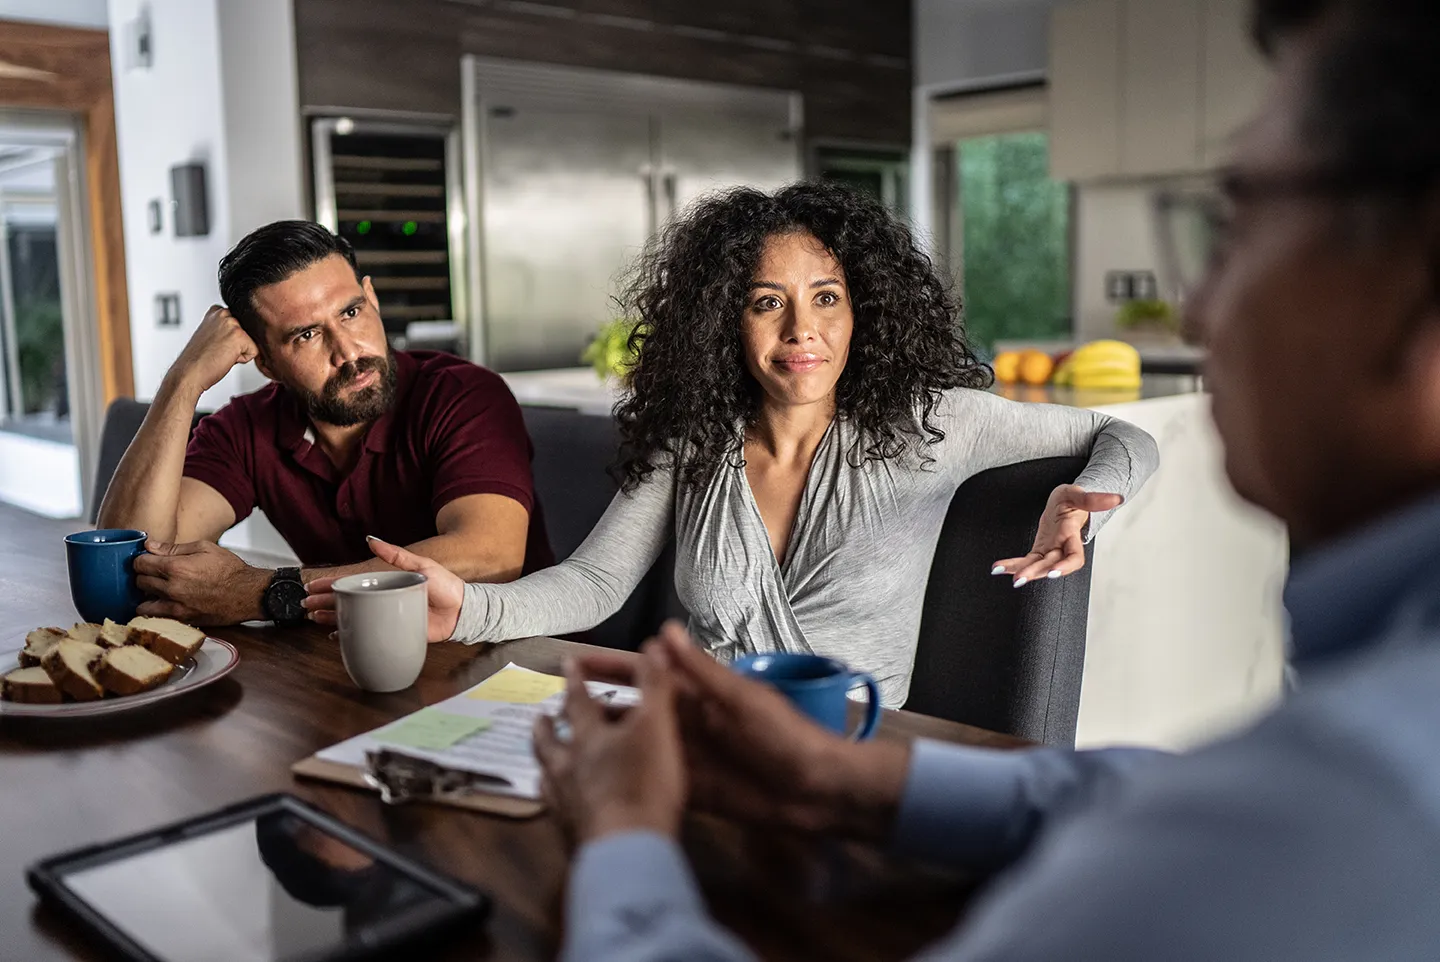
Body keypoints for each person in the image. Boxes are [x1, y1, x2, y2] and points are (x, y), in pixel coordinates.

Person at [525, 0, 1440, 959]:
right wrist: (848, 782)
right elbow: (1136, 790)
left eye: (1234, 224)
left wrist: (622, 835)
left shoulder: (1334, 804)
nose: (1200, 309)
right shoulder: (1328, 754)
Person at [307, 184, 1158, 707]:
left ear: (863, 309)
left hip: (853, 760)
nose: (803, 331)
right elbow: (597, 581)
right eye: (766, 302)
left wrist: (1077, 499)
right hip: (698, 736)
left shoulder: (934, 423)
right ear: (727, 318)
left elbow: (1124, 433)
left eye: (826, 297)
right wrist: (470, 610)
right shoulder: (699, 440)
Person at [97, 221, 552, 627]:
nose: (349, 352)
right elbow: (131, 563)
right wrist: (183, 381)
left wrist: (264, 592)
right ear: (267, 363)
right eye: (307, 335)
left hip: (516, 665)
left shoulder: (463, 395)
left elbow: (490, 554)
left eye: (351, 312)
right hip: (353, 668)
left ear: (371, 298)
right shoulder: (246, 427)